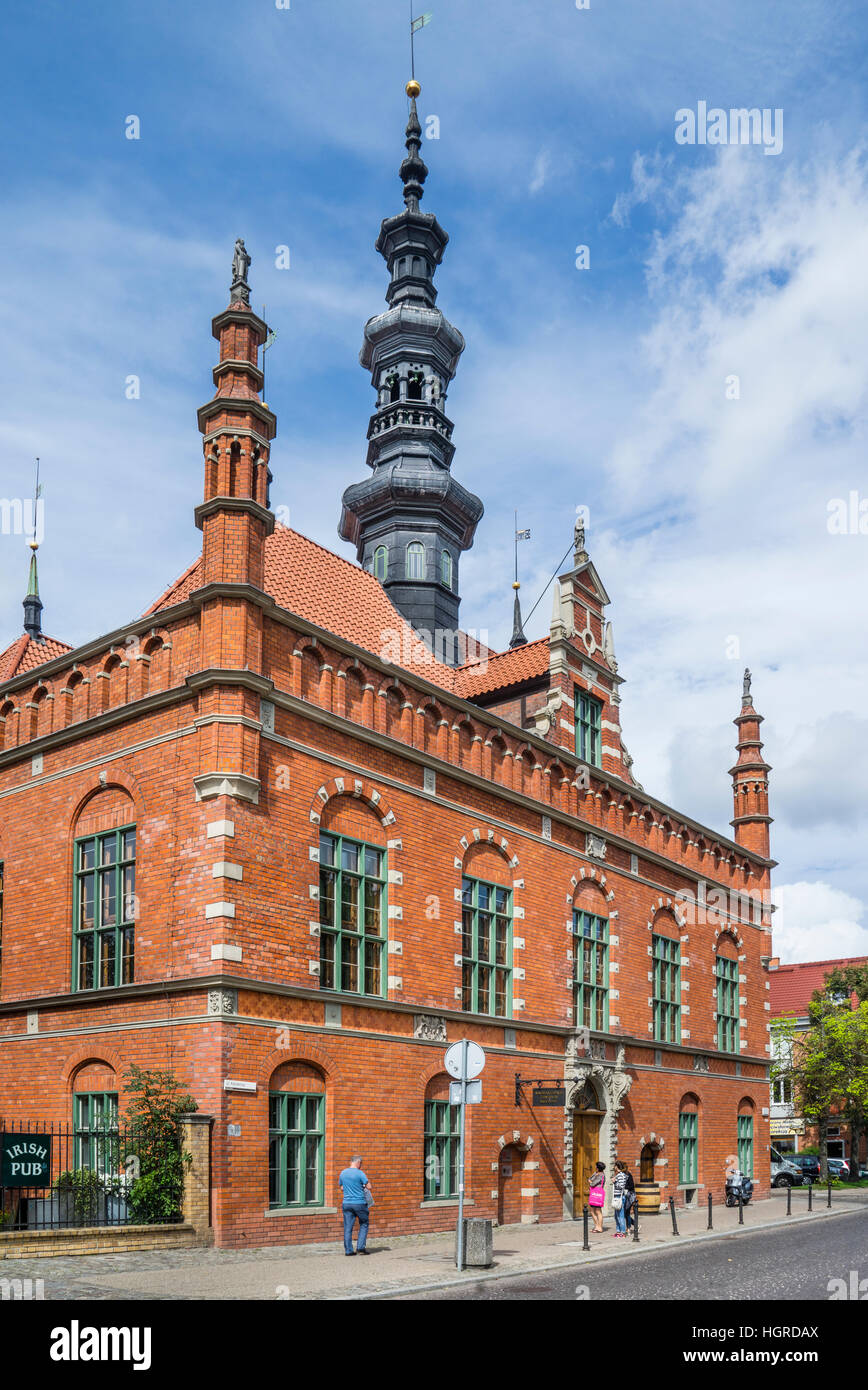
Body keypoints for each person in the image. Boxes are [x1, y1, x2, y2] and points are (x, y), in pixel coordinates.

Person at [339, 1154, 372, 1255]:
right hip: (359, 1203)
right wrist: (361, 1186)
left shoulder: (343, 1173)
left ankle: (348, 1251)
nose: (361, 1165)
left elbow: (341, 1188)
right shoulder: (360, 1173)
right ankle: (360, 1247)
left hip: (346, 1203)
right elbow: (369, 1186)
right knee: (364, 1223)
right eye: (361, 1163)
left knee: (348, 1227)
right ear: (358, 1162)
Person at [588, 1161, 606, 1233]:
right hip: (596, 1194)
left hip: (596, 1194)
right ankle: (597, 1226)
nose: (595, 1167)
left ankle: (599, 1227)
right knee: (594, 1211)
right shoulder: (597, 1174)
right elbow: (590, 1178)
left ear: (598, 1168)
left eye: (596, 1166)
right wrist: (595, 1173)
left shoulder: (601, 1175)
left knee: (597, 1211)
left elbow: (592, 1183)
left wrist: (590, 1182)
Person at [612, 1160, 628, 1237]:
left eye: (615, 1166)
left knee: (620, 1215)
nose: (614, 1167)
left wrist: (615, 1182)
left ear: (617, 1166)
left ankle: (623, 1232)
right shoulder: (620, 1175)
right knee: (616, 1215)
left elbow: (621, 1186)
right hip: (617, 1197)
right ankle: (618, 1231)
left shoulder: (620, 1175)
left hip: (620, 1197)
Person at [623, 1162, 637, 1231]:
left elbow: (631, 1186)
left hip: (630, 1195)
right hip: (626, 1195)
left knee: (627, 1212)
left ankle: (628, 1228)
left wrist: (624, 1187)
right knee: (625, 1213)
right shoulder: (623, 1175)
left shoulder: (628, 1175)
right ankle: (635, 1224)